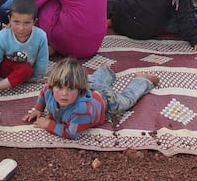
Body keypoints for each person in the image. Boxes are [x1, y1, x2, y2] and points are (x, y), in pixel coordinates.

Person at [22, 58, 159, 140]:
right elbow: (43, 91)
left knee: (126, 100)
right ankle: (105, 69)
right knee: (96, 81)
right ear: (53, 86)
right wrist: (38, 109)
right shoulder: (49, 90)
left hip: (106, 102)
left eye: (70, 89)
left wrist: (48, 124)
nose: (64, 94)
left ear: (79, 89)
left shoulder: (80, 110)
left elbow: (71, 133)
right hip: (91, 86)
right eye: (60, 88)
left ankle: (142, 80)